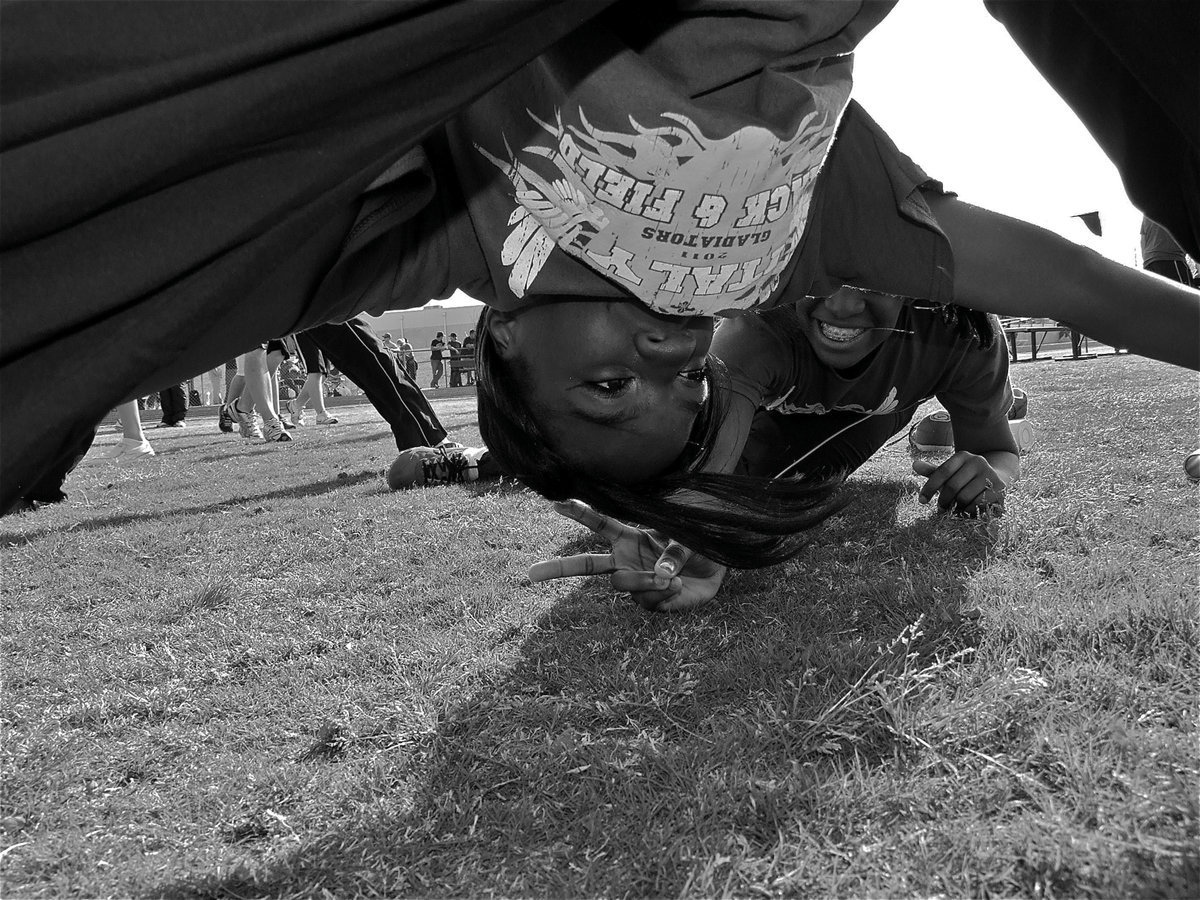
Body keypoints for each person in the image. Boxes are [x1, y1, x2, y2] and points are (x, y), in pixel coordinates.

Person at [3, 1, 1198, 513]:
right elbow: (1072, 282)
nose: (676, 352)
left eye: (613, 382)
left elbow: (185, 273)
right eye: (686, 384)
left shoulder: (463, 227)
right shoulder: (786, 255)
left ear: (506, 337)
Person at [286, 330, 340, 426]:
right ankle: (321, 414)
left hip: (319, 328)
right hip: (302, 329)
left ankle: (296, 405)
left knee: (323, 374)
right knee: (315, 371)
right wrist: (289, 334)